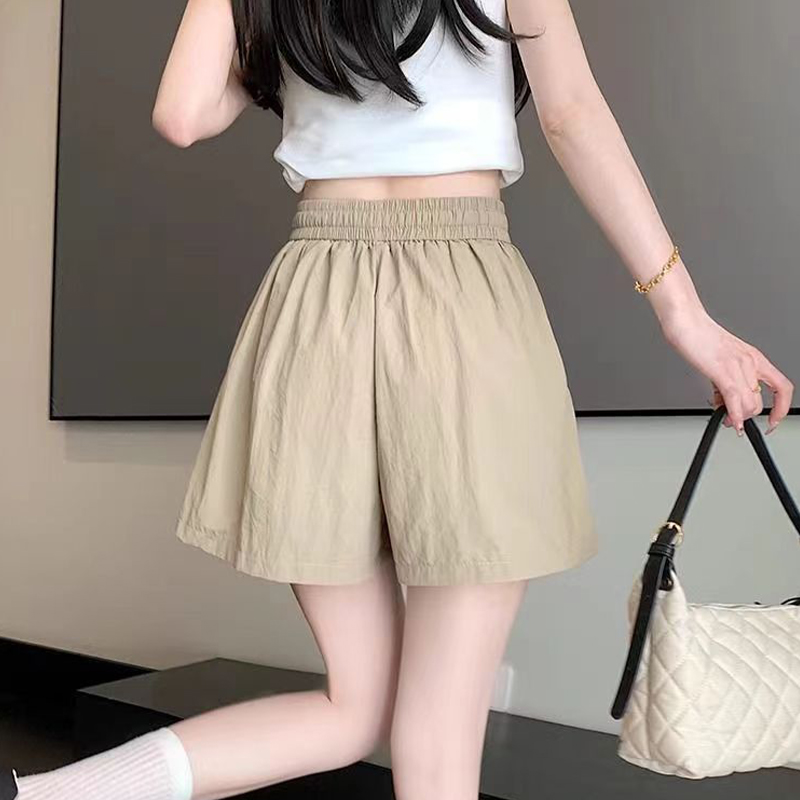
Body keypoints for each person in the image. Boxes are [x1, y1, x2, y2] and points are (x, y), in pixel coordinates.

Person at [4, 0, 793, 798]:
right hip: (463, 293)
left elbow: (182, 113)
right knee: (439, 728)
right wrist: (684, 316)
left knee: (354, 708)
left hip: (314, 301)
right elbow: (572, 116)